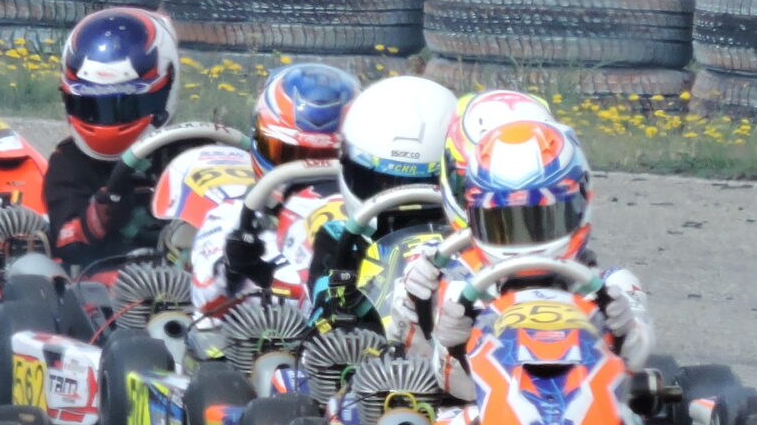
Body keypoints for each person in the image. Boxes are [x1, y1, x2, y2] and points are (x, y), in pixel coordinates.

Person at [410, 119, 653, 403]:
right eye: (503, 225)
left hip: (594, 413)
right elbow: (455, 389)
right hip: (490, 420)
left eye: (541, 221)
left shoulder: (612, 289)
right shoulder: (461, 294)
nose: (523, 244)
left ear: (580, 202)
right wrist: (452, 347)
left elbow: (636, 364)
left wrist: (624, 333)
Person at [189, 62, 360, 317]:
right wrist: (234, 267)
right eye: (290, 155)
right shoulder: (234, 217)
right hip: (264, 331)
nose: (311, 172)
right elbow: (204, 300)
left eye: (332, 156)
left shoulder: (376, 215)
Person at [306, 73, 459, 329]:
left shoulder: (471, 248)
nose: (406, 204)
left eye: (425, 183)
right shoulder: (338, 240)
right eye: (385, 184)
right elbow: (323, 323)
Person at [43, 6, 179, 267]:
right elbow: (67, 244)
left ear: (165, 87)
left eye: (125, 106)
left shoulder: (187, 153)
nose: (108, 122)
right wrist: (99, 214)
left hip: (187, 274)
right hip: (105, 279)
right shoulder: (69, 162)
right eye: (92, 108)